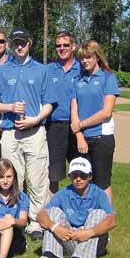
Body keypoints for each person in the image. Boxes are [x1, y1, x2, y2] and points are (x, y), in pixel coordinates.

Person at [0, 27, 56, 241]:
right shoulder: (1, 70)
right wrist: (9, 108)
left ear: (30, 43)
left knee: (37, 180)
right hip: (10, 133)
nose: (19, 46)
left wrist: (35, 119)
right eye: (16, 42)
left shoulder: (42, 70)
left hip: (35, 132)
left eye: (23, 42)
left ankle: (36, 222)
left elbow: (49, 103)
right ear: (11, 44)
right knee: (12, 181)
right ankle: (15, 221)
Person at [28, 157, 116, 258]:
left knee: (99, 213)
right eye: (74, 175)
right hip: (72, 238)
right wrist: (56, 228)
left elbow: (112, 220)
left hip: (93, 241)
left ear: (90, 176)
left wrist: (89, 232)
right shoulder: (64, 193)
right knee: (53, 211)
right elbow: (41, 215)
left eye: (83, 175)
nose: (78, 179)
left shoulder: (99, 193)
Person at [70, 40, 120, 205]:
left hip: (101, 138)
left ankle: (106, 220)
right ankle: (87, 219)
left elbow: (106, 113)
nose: (85, 61)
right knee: (83, 180)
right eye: (82, 58)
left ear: (97, 57)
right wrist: (79, 136)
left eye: (88, 57)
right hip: (82, 140)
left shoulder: (108, 78)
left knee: (102, 182)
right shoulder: (77, 81)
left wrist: (82, 125)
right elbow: (74, 114)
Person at [46, 31, 81, 196]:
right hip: (54, 126)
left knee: (80, 170)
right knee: (53, 173)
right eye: (58, 45)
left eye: (66, 45)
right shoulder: (48, 70)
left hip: (78, 127)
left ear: (73, 46)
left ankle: (79, 207)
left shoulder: (82, 68)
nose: (62, 48)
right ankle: (53, 210)